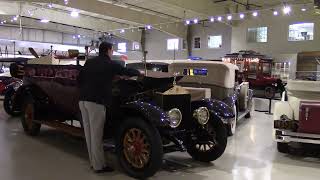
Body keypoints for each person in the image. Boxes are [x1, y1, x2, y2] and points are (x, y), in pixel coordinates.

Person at [78, 42, 141, 173]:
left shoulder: (89, 62)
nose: (112, 53)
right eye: (112, 50)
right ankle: (99, 166)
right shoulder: (109, 63)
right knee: (96, 136)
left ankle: (93, 162)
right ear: (108, 50)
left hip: (83, 101)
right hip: (96, 102)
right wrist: (138, 72)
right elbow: (126, 71)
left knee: (89, 134)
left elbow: (79, 79)